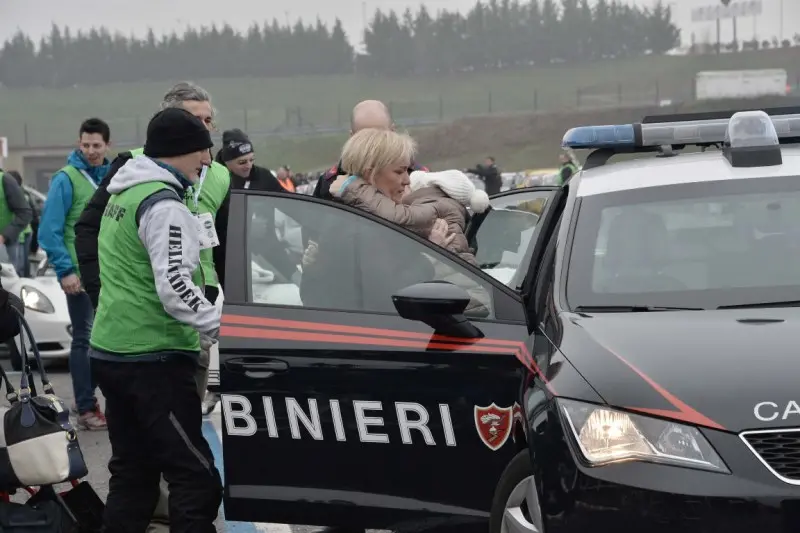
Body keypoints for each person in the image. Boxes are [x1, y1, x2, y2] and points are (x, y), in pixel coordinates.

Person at [74, 81, 230, 532]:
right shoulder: (164, 204)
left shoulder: (125, 191)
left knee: (135, 474)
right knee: (195, 477)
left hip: (113, 349)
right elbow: (176, 285)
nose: (206, 160)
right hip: (153, 358)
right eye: (201, 150)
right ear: (180, 150)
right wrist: (222, 324)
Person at [301, 128, 452, 317]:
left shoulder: (349, 215)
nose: (407, 180)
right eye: (399, 171)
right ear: (371, 174)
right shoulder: (364, 228)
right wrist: (432, 256)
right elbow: (390, 296)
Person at [39, 117, 111, 430]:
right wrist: (65, 270)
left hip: (110, 273)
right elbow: (49, 230)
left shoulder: (112, 175)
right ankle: (85, 407)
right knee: (85, 339)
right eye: (86, 145)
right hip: (79, 276)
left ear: (107, 145)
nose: (91, 151)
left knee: (108, 340)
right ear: (78, 144)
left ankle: (98, 400)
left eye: (97, 145)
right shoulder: (66, 179)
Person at [338, 168, 489, 266]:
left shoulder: (434, 205)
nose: (404, 185)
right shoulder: (443, 205)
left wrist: (356, 188)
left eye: (408, 187)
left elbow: (399, 216)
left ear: (423, 189)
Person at [312, 100, 428, 201]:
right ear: (352, 137)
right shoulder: (330, 182)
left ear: (393, 132)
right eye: (364, 138)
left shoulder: (417, 178)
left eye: (380, 136)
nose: (373, 145)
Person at [0, 169, 33, 276]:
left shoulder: (5, 180)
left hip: (4, 246)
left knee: (8, 286)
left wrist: (4, 236)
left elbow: (25, 213)